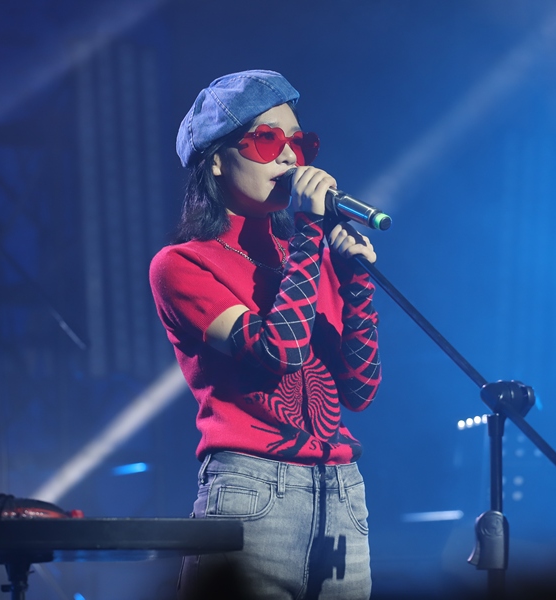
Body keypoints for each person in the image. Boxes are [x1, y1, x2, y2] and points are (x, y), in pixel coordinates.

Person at [149, 70, 381, 599]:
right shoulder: (182, 265)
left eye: (300, 142)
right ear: (215, 159)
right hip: (252, 494)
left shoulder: (309, 257)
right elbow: (281, 350)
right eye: (267, 140)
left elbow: (360, 391)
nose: (290, 157)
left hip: (342, 494)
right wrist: (311, 234)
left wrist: (356, 285)